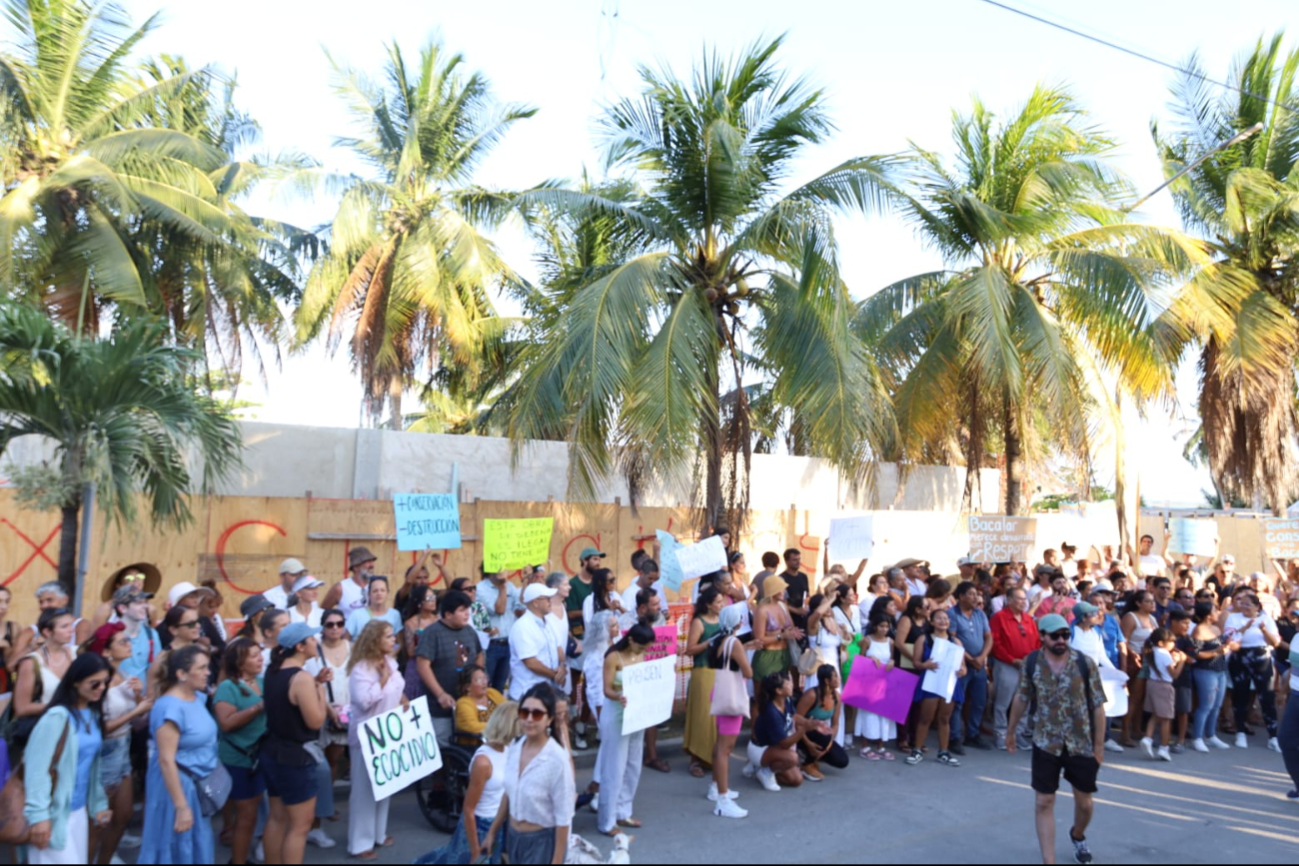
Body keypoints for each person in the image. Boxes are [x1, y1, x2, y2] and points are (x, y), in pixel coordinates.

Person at [1006, 614, 1107, 866]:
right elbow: (1021, 698)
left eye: (1065, 634)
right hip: (1045, 741)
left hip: (1080, 742)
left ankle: (1077, 834)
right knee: (1044, 801)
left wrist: (1098, 746)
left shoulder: (1085, 663)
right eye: (1055, 635)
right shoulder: (1031, 663)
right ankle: (1048, 861)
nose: (1061, 640)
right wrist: (1010, 731)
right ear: (1042, 636)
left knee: (1084, 803)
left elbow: (1098, 706)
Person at [22, 653, 113, 865]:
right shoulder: (56, 717)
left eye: (105, 683)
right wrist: (38, 816)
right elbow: (36, 769)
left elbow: (92, 767)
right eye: (94, 683)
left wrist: (98, 804)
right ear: (75, 681)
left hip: (78, 810)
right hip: (52, 813)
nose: (101, 688)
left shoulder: (93, 714)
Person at [137, 645, 218, 864]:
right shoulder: (169, 708)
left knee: (196, 844)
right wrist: (181, 807)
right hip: (176, 789)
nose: (207, 673)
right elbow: (165, 760)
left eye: (207, 667)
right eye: (201, 668)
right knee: (175, 847)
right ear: (181, 674)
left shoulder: (197, 698)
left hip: (197, 784)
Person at [415, 701, 520, 864]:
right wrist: (474, 847)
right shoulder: (483, 762)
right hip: (478, 825)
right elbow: (469, 809)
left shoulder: (509, 750)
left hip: (497, 824)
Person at [483, 684, 575, 865]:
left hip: (542, 842)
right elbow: (509, 793)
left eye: (537, 714)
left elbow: (564, 817)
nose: (529, 719)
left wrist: (556, 861)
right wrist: (492, 832)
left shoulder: (556, 760)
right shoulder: (515, 747)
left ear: (549, 719)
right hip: (514, 838)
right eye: (524, 713)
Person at [261, 623, 329, 865]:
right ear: (300, 647)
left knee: (277, 818)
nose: (316, 642)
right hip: (295, 758)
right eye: (311, 638)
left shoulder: (273, 670)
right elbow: (315, 721)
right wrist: (319, 689)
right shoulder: (301, 678)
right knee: (300, 826)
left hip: (272, 751)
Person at [85, 624, 151, 865]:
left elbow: (140, 716)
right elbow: (98, 728)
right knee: (99, 822)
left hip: (123, 747)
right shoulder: (97, 682)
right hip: (106, 752)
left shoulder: (122, 674)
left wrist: (138, 697)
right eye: (122, 642)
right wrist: (137, 710)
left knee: (122, 816)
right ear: (106, 651)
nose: (129, 645)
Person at [347, 620, 406, 859]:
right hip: (367, 735)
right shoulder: (361, 669)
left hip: (388, 733)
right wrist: (382, 679)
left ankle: (378, 834)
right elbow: (363, 701)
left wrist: (403, 697)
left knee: (384, 786)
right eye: (389, 636)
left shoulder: (391, 661)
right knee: (364, 791)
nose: (394, 640)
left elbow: (397, 686)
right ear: (375, 640)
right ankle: (360, 843)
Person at [596, 622, 655, 836]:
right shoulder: (613, 657)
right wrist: (620, 696)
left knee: (632, 765)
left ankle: (623, 810)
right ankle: (607, 820)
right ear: (630, 640)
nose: (644, 651)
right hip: (616, 712)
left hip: (635, 714)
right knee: (614, 768)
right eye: (641, 647)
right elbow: (607, 689)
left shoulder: (640, 655)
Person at [213, 637, 267, 866]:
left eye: (259, 654)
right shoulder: (228, 687)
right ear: (240, 662)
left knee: (251, 813)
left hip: (258, 757)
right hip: (236, 758)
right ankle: (238, 860)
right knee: (246, 815)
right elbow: (226, 723)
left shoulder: (262, 682)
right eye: (253, 655)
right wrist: (258, 707)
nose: (260, 659)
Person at [418, 589, 486, 742]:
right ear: (448, 614)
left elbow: (480, 653)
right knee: (444, 747)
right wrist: (440, 694)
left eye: (467, 610)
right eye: (462, 610)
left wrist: (478, 676)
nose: (467, 614)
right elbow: (422, 665)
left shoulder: (469, 631)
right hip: (440, 709)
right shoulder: (432, 633)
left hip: (468, 706)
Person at [708, 602, 753, 819]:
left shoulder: (717, 640)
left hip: (718, 692)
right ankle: (722, 799)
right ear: (738, 622)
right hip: (731, 697)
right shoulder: (733, 643)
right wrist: (745, 651)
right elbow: (748, 671)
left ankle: (716, 787)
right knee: (726, 748)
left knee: (719, 745)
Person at [907, 608, 966, 767]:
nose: (943, 621)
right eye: (939, 618)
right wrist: (925, 665)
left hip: (949, 683)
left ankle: (943, 752)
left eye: (945, 618)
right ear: (932, 622)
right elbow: (916, 662)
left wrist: (961, 671)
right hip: (931, 682)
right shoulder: (924, 639)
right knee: (926, 718)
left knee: (944, 719)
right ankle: (917, 749)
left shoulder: (955, 642)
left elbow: (963, 666)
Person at [11, 608, 77, 749]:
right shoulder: (31, 662)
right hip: (43, 732)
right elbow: (22, 708)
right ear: (47, 632)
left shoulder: (76, 654)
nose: (71, 630)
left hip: (74, 728)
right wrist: (59, 705)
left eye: (71, 625)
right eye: (64, 626)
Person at [1224, 592, 1282, 751]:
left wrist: (1264, 630)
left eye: (1247, 604)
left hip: (1261, 657)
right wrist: (1245, 627)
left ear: (1257, 606)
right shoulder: (1233, 618)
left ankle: (1273, 736)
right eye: (1241, 603)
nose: (1243, 607)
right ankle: (1240, 732)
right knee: (1240, 694)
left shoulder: (1266, 619)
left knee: (1266, 696)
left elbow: (1275, 642)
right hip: (1240, 656)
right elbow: (1229, 638)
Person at [745, 671, 815, 792]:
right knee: (792, 758)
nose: (791, 685)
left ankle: (758, 768)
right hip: (760, 749)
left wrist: (810, 723)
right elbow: (785, 743)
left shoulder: (786, 700)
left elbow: (793, 716)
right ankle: (765, 771)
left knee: (796, 780)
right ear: (778, 691)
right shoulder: (771, 712)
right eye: (788, 683)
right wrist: (803, 729)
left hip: (774, 747)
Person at [990, 586, 1040, 751]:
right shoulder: (999, 617)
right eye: (1019, 598)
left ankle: (1019, 732)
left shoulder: (1028, 619)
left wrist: (1031, 660)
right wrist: (1012, 660)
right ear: (1009, 600)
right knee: (1003, 701)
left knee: (1024, 701)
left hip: (1026, 666)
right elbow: (996, 643)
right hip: (1006, 665)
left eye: (1024, 599)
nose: (1023, 602)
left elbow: (1036, 642)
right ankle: (1000, 734)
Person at [684, 586, 724, 777]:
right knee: (701, 716)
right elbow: (690, 649)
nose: (721, 605)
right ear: (708, 604)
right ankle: (695, 759)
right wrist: (709, 642)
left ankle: (710, 756)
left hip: (719, 672)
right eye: (717, 602)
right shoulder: (699, 623)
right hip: (703, 672)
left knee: (715, 719)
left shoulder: (722, 620)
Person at [950, 580, 993, 751]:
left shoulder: (980, 614)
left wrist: (982, 657)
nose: (975, 597)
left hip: (979, 665)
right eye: (971, 594)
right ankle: (954, 737)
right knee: (957, 702)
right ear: (960, 597)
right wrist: (969, 658)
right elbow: (952, 639)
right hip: (962, 665)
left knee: (979, 701)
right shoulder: (952, 614)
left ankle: (972, 734)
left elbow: (989, 637)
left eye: (976, 594)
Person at [1187, 601, 1234, 752]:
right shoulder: (1199, 630)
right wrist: (1216, 652)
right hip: (1205, 670)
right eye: (1215, 610)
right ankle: (1197, 738)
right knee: (1205, 705)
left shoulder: (1216, 628)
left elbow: (1220, 646)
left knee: (1216, 705)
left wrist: (1226, 645)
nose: (1218, 613)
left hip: (1220, 669)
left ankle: (1211, 735)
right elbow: (1195, 653)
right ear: (1208, 615)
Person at [311, 609, 352, 777]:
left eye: (339, 624)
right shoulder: (313, 651)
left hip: (347, 712)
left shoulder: (353, 648)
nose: (335, 628)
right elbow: (308, 682)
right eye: (330, 624)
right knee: (324, 760)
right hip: (322, 710)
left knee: (339, 757)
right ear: (323, 628)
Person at [508, 584, 564, 705]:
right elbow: (531, 663)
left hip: (547, 691)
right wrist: (556, 675)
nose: (551, 602)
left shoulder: (549, 622)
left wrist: (562, 668)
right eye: (547, 599)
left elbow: (559, 650)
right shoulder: (522, 627)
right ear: (535, 602)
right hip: (526, 694)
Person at [1139, 627, 1187, 762]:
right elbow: (1174, 674)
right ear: (1161, 643)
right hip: (1164, 686)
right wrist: (1181, 661)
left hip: (1152, 684)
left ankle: (1148, 738)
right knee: (1166, 719)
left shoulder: (1152, 651)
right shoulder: (1164, 654)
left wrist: (1174, 661)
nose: (1173, 645)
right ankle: (1163, 747)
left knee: (1155, 714)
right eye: (1170, 642)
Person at [855, 612, 898, 760]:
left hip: (885, 680)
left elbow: (891, 658)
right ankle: (865, 746)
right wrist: (869, 658)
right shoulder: (868, 640)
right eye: (881, 626)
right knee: (868, 713)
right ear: (875, 626)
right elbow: (859, 660)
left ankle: (881, 745)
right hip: (869, 680)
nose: (884, 629)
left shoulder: (890, 642)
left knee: (883, 713)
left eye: (887, 626)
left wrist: (892, 662)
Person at [751, 577, 801, 705]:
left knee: (780, 699)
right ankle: (758, 724)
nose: (784, 591)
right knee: (761, 700)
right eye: (781, 588)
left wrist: (793, 632)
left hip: (783, 655)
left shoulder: (783, 606)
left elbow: (790, 627)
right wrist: (781, 636)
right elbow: (759, 639)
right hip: (767, 657)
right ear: (774, 590)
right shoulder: (762, 610)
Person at [795, 664, 848, 780]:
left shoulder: (837, 697)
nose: (838, 679)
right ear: (827, 681)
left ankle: (815, 756)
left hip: (821, 735)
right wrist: (809, 744)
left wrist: (828, 745)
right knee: (820, 733)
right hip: (802, 733)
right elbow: (796, 721)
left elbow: (835, 724)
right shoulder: (811, 695)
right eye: (835, 676)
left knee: (842, 760)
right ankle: (806, 764)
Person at [477, 567, 524, 693]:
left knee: (499, 688)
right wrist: (503, 587)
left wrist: (526, 583)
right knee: (485, 686)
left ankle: (497, 712)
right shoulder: (480, 588)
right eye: (497, 566)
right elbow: (499, 609)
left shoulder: (510, 585)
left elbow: (521, 607)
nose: (501, 570)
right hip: (490, 645)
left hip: (508, 643)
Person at [1120, 590, 1158, 747]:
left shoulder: (1152, 618)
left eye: (1152, 600)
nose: (1152, 603)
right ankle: (1125, 733)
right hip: (1136, 661)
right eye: (1148, 601)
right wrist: (1131, 654)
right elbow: (1123, 640)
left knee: (1141, 698)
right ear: (1138, 603)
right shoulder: (1131, 617)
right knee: (1134, 698)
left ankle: (1136, 729)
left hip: (1149, 660)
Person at [455, 665, 507, 746]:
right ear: (468, 686)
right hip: (477, 746)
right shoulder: (463, 703)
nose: (484, 682)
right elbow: (473, 726)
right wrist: (501, 726)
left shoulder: (492, 693)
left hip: (500, 741)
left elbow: (509, 710)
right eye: (479, 679)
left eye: (485, 678)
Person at [323, 546, 377, 614]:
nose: (372, 565)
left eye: (372, 561)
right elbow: (323, 612)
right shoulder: (340, 588)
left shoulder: (376, 586)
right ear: (356, 567)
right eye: (368, 561)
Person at [779, 549, 811, 633]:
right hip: (789, 619)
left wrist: (806, 606)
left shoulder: (803, 576)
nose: (798, 562)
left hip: (804, 618)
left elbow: (807, 594)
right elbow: (780, 602)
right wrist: (796, 610)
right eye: (794, 560)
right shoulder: (781, 579)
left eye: (799, 559)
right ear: (787, 561)